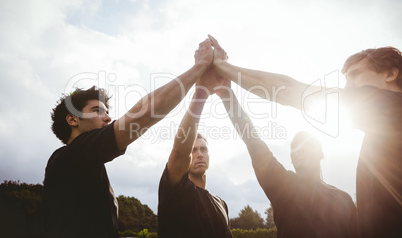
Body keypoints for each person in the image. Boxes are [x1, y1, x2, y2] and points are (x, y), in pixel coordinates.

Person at [209, 35, 402, 238]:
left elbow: (291, 91)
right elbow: (255, 144)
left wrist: (222, 67)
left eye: (355, 75)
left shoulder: (393, 107)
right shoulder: (382, 131)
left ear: (390, 73)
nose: (347, 87)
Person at [43, 39, 215, 238]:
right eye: (97, 111)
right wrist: (200, 67)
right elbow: (146, 112)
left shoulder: (87, 166)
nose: (108, 117)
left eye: (107, 112)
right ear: (72, 119)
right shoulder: (72, 154)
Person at [157, 51, 232, 238]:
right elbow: (179, 150)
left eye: (203, 149)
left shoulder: (221, 203)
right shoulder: (175, 190)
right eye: (194, 150)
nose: (199, 154)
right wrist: (202, 91)